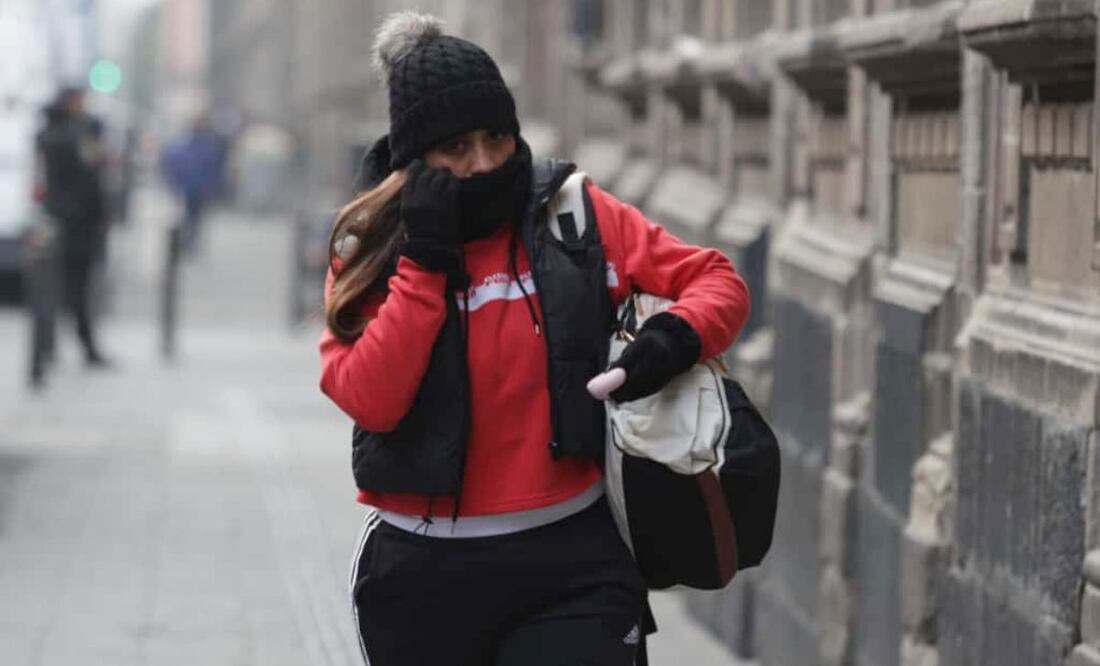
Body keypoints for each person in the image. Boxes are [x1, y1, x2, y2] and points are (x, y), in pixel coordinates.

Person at [319, 12, 750, 666]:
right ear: (415, 157)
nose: (486, 162)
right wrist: (427, 265)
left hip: (572, 567)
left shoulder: (570, 217)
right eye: (456, 148)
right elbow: (371, 400)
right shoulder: (371, 245)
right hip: (422, 580)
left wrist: (668, 342)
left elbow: (716, 281)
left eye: (496, 137)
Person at [35, 87, 111, 367]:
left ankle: (62, 346)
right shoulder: (63, 136)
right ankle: (69, 346)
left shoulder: (74, 133)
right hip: (72, 223)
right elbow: (87, 168)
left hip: (80, 222)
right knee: (67, 287)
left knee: (72, 288)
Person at [161, 114, 226, 254]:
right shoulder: (188, 144)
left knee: (195, 217)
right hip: (189, 187)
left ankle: (191, 241)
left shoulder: (209, 145)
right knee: (188, 216)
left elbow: (214, 168)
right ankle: (187, 241)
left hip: (200, 187)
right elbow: (175, 162)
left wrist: (212, 186)